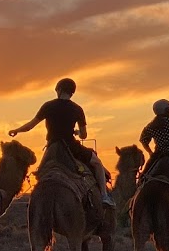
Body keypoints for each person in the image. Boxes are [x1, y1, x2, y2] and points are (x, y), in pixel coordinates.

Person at [8, 77, 115, 207]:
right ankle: (104, 195)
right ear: (72, 93)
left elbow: (30, 125)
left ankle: (35, 199)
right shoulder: (77, 109)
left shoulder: (48, 106)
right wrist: (77, 133)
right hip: (71, 147)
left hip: (52, 147)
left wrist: (16, 130)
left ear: (58, 90)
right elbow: (84, 135)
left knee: (40, 172)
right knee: (97, 164)